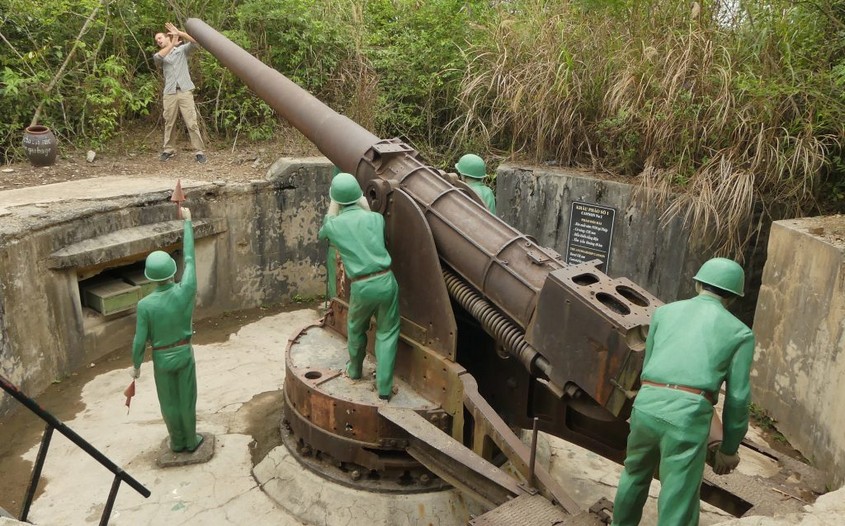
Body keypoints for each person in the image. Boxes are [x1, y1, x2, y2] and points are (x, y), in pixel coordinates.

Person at [611, 257, 755, 526]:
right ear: (733, 299)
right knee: (678, 497)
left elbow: (648, 367)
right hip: (686, 420)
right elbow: (737, 398)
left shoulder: (664, 313)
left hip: (647, 405)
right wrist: (729, 447)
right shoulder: (741, 334)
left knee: (633, 476)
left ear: (698, 284)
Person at [318, 173, 400, 401]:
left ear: (335, 199)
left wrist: (332, 212)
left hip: (363, 286)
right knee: (388, 332)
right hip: (386, 280)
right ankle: (384, 389)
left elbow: (322, 233)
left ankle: (354, 370)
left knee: (356, 329)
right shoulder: (376, 219)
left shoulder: (333, 225)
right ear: (360, 196)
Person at [129, 207, 202, 452]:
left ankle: (178, 441)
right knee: (186, 399)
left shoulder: (145, 306)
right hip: (183, 352)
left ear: (150, 277)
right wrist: (188, 223)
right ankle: (192, 440)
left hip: (161, 357)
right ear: (172, 270)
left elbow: (140, 341)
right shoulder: (185, 291)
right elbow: (190, 258)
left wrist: (136, 366)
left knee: (168, 402)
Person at [154, 22, 207, 164]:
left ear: (167, 37)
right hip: (169, 93)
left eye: (160, 38)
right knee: (169, 122)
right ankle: (168, 150)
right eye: (156, 40)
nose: (158, 41)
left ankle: (199, 151)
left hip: (184, 91)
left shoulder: (182, 50)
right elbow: (157, 59)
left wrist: (180, 33)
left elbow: (196, 42)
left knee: (191, 122)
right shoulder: (161, 55)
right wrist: (171, 44)